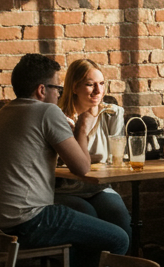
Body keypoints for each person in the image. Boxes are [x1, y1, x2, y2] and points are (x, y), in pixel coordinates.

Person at [0, 54, 131, 267]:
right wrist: (83, 128)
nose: (59, 93)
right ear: (41, 90)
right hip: (29, 220)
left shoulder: (4, 112)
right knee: (118, 238)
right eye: (57, 88)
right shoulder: (46, 112)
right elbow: (82, 168)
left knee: (89, 222)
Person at [54, 59, 131, 234]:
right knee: (89, 216)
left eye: (102, 84)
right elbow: (60, 163)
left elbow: (116, 157)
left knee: (119, 215)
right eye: (90, 84)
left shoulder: (112, 113)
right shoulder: (60, 117)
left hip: (99, 187)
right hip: (67, 188)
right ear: (74, 88)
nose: (98, 91)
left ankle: (120, 262)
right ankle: (94, 262)